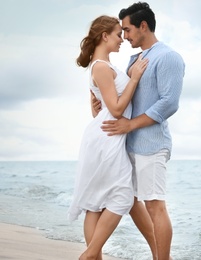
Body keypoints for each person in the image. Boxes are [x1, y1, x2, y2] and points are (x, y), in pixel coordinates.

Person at [95, 2, 185, 260]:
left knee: (155, 205)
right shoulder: (135, 59)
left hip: (152, 144)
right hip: (129, 144)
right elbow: (129, 98)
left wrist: (131, 124)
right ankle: (157, 253)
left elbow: (169, 103)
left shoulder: (168, 57)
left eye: (127, 29)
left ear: (143, 26)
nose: (124, 36)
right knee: (131, 202)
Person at [68, 15, 150, 260]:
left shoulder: (102, 66)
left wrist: (99, 106)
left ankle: (94, 257)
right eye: (117, 34)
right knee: (123, 196)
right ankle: (89, 254)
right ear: (104, 36)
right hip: (108, 139)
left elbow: (99, 110)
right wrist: (134, 79)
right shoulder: (101, 67)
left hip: (105, 135)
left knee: (95, 202)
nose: (122, 40)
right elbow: (115, 110)